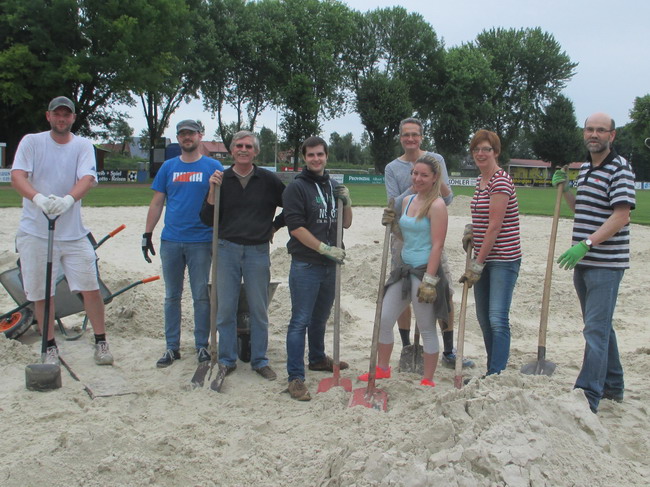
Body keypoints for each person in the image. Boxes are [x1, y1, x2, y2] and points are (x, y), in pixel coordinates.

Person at [10, 96, 113, 366]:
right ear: (48, 116)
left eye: (66, 115)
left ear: (73, 118)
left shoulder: (82, 145)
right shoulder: (32, 142)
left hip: (73, 233)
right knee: (43, 293)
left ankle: (101, 341)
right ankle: (49, 346)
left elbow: (87, 178)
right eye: (57, 114)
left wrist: (68, 200)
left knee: (91, 287)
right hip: (35, 232)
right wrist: (38, 199)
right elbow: (18, 176)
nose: (62, 119)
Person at [553, 113, 635, 413]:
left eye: (601, 130)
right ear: (583, 133)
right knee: (600, 327)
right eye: (590, 129)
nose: (594, 134)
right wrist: (567, 191)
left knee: (595, 330)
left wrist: (586, 244)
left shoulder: (620, 168)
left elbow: (621, 215)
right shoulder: (586, 167)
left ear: (612, 135)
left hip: (606, 263)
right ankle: (613, 385)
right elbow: (583, 210)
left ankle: (588, 394)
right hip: (585, 262)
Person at [384, 117, 474, 369]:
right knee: (402, 293)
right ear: (400, 138)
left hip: (428, 230)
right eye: (406, 135)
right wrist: (418, 186)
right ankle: (406, 347)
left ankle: (448, 350)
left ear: (421, 137)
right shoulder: (392, 168)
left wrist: (427, 182)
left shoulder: (437, 160)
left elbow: (447, 198)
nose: (410, 139)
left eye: (415, 135)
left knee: (442, 291)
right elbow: (394, 202)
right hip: (402, 235)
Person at [200, 130, 285, 381]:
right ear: (232, 150)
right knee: (225, 307)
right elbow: (206, 218)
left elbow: (291, 206)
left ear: (256, 151)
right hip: (226, 248)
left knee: (259, 309)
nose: (243, 149)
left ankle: (260, 360)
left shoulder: (269, 180)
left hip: (258, 250)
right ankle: (227, 359)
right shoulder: (220, 178)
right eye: (239, 146)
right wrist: (212, 191)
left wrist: (275, 226)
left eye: (248, 146)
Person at [359, 154, 449, 387]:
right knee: (384, 318)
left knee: (427, 326)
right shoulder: (408, 200)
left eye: (424, 175)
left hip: (423, 272)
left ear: (435, 178)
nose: (417, 178)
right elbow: (405, 236)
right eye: (415, 173)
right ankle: (383, 368)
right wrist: (394, 224)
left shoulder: (437, 205)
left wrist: (430, 281)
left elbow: (437, 244)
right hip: (403, 270)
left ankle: (428, 379)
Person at [142, 120, 224, 368]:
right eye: (182, 134)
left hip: (201, 240)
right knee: (171, 296)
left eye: (191, 133)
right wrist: (147, 233)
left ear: (200, 136)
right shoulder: (169, 167)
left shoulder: (213, 166)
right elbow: (157, 202)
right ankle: (172, 347)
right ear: (178, 138)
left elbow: (222, 202)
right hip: (171, 240)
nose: (187, 137)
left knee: (201, 295)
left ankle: (202, 345)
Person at [282, 136, 353, 401]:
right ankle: (295, 377)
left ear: (326, 156)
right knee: (300, 320)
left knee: (320, 318)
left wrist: (347, 202)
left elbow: (345, 224)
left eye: (320, 154)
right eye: (310, 155)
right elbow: (296, 228)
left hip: (330, 265)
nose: (316, 159)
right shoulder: (296, 188)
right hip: (306, 263)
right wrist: (323, 248)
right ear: (304, 158)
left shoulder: (332, 186)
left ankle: (317, 358)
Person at [460, 129, 521, 377]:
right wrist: (472, 229)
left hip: (503, 259)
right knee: (484, 319)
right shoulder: (480, 180)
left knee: (497, 318)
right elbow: (484, 220)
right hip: (485, 257)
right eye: (476, 149)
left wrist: (477, 263)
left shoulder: (500, 181)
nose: (480, 153)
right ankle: (492, 370)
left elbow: (496, 225)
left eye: (486, 149)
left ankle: (497, 374)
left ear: (496, 152)